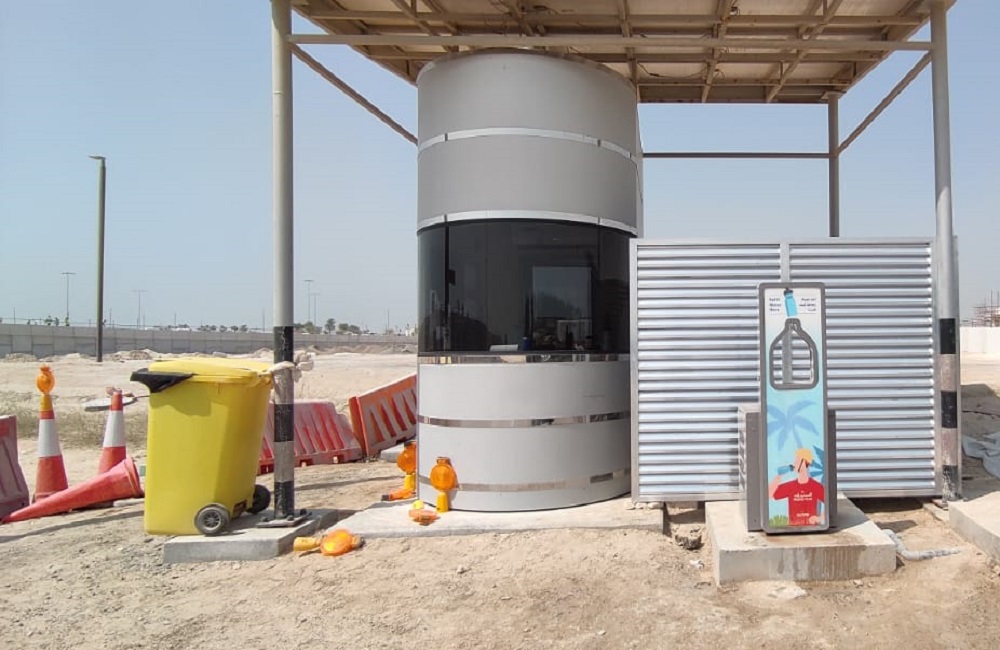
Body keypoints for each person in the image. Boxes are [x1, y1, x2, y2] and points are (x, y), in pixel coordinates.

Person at [768, 447, 825, 526]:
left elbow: (830, 505)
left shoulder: (815, 486)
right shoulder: (790, 486)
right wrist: (778, 476)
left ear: (805, 462)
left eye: (797, 461)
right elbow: (769, 495)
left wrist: (819, 518)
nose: (794, 464)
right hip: (793, 528)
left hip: (811, 528)